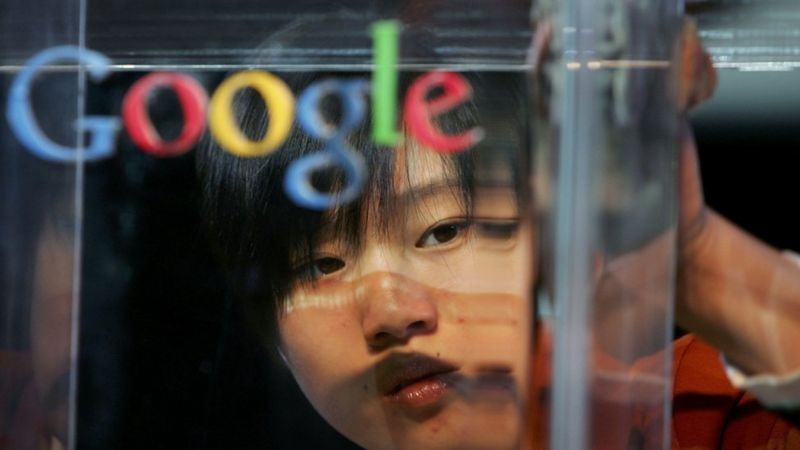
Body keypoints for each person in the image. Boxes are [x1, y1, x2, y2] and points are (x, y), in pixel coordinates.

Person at [196, 22, 800, 450]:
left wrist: (696, 265)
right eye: (321, 265)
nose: (390, 313)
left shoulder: (711, 417)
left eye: (443, 231)